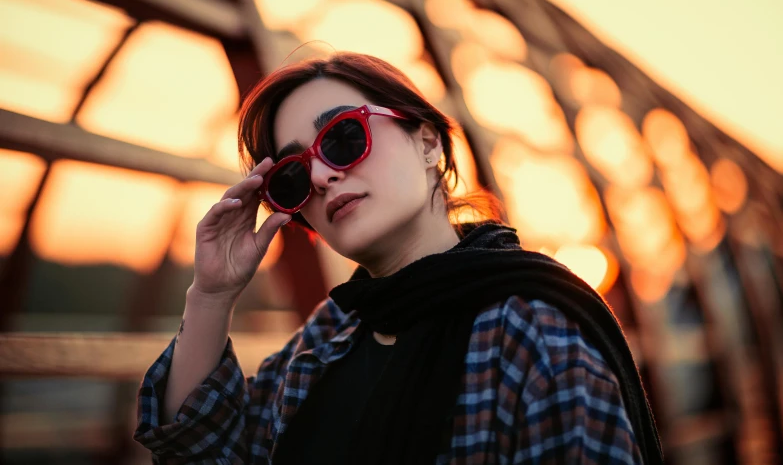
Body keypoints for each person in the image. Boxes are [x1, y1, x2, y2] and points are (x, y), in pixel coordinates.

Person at [134, 52, 662, 464]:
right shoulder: (328, 337)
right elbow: (197, 451)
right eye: (292, 176)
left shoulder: (530, 334)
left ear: (428, 143)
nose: (320, 177)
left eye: (342, 136)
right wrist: (211, 295)